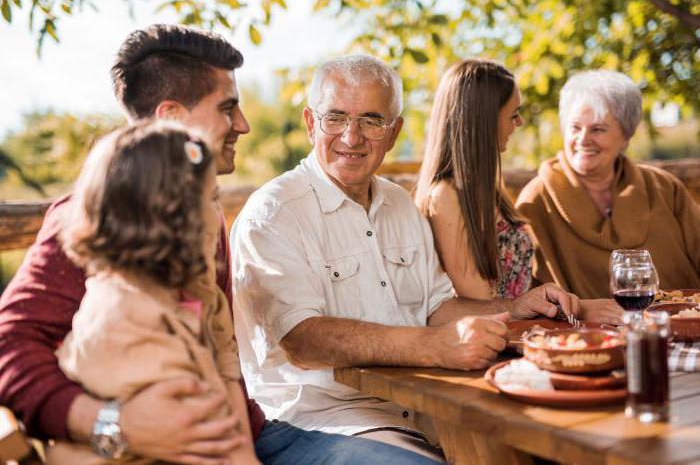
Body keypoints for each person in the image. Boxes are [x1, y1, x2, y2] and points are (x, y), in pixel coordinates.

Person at [0, 25, 443, 465]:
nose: (244, 125)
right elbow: (8, 348)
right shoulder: (94, 217)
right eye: (228, 108)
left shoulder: (204, 216)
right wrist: (112, 425)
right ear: (172, 117)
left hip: (249, 436)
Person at [231, 55, 579, 459]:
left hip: (420, 415)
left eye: (371, 121)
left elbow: (437, 306)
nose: (351, 137)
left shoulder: (398, 203)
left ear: (394, 132)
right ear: (311, 123)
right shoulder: (273, 213)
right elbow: (302, 342)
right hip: (315, 423)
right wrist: (433, 346)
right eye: (336, 117)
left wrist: (514, 307)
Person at [48, 121, 259, 465]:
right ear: (168, 218)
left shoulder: (200, 292)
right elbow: (196, 432)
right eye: (209, 199)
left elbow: (226, 373)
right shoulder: (124, 315)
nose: (216, 213)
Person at [414, 59, 623, 324]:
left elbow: (519, 287)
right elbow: (482, 306)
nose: (520, 122)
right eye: (513, 114)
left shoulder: (488, 187)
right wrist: (578, 309)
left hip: (526, 331)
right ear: (485, 120)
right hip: (497, 341)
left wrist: (574, 304)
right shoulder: (445, 197)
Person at [516, 70, 700, 301]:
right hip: (584, 335)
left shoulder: (664, 187)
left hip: (685, 322)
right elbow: (523, 294)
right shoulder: (536, 200)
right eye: (575, 127)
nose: (583, 140)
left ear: (626, 135)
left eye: (598, 129)